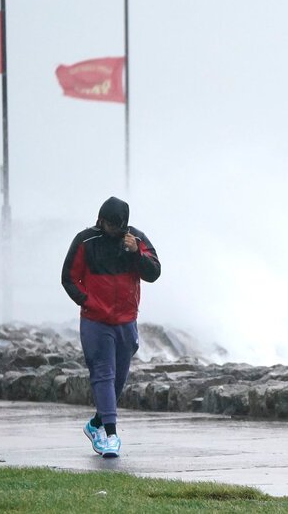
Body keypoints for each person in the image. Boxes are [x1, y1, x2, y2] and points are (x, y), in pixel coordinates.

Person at [61, 196, 161, 458]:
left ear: (123, 224)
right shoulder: (86, 241)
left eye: (114, 225)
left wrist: (136, 253)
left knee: (118, 378)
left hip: (126, 321)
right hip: (96, 321)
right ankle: (110, 435)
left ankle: (95, 424)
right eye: (104, 223)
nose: (108, 228)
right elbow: (69, 278)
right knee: (104, 374)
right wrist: (87, 301)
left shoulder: (136, 241)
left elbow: (153, 273)